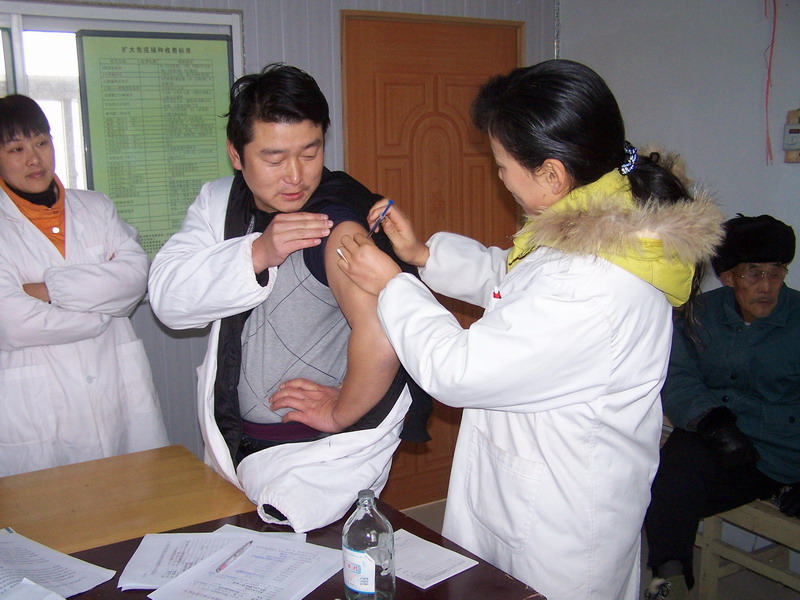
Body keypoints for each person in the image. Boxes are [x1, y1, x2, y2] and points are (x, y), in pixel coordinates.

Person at [312, 59, 724, 600]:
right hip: (536, 486)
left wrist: (392, 284)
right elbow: (519, 283)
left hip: (557, 526)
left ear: (552, 174)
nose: (501, 176)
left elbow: (456, 370)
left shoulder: (591, 283)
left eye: (503, 165)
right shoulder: (602, 227)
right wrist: (423, 255)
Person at [148, 63, 428, 533]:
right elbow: (168, 301)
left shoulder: (335, 220)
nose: (295, 177)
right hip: (235, 443)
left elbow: (382, 336)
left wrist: (340, 410)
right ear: (236, 154)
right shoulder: (220, 203)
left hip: (315, 465)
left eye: (310, 152)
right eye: (274, 158)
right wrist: (258, 253)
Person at [0, 94, 168, 476]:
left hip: (116, 394)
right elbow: (11, 321)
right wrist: (99, 314)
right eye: (17, 149)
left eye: (41, 143)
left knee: (136, 496)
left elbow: (134, 277)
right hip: (37, 408)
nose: (34, 159)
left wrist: (47, 290)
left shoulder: (96, 207)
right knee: (48, 506)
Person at [643, 214, 799, 600]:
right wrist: (713, 423)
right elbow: (678, 376)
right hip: (721, 442)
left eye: (776, 273)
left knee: (666, 495)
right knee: (668, 476)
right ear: (728, 277)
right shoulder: (699, 313)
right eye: (754, 273)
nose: (767, 286)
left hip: (782, 453)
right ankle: (670, 580)